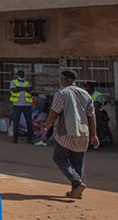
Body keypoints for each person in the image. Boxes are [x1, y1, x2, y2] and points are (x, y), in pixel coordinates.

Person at [40, 69, 99, 199]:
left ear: (65, 79)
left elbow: (54, 112)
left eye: (61, 78)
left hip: (66, 131)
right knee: (78, 163)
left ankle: (77, 182)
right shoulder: (86, 95)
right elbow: (92, 117)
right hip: (83, 132)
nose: (60, 80)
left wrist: (46, 125)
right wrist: (94, 135)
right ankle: (76, 190)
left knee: (59, 157)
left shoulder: (62, 94)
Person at [10, 69, 34, 144]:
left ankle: (30, 139)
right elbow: (14, 90)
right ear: (17, 75)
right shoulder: (13, 82)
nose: (22, 75)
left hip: (27, 105)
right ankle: (15, 139)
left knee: (29, 123)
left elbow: (30, 89)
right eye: (20, 74)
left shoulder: (27, 82)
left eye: (23, 74)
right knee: (16, 123)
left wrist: (19, 88)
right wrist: (24, 89)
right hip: (17, 105)